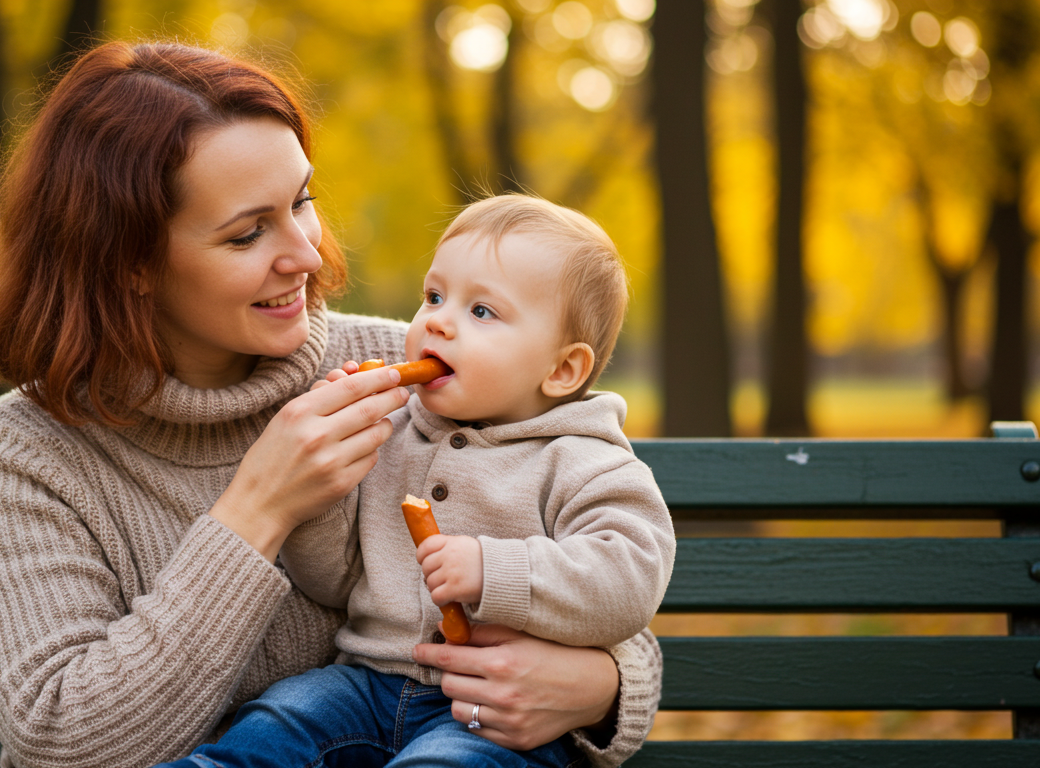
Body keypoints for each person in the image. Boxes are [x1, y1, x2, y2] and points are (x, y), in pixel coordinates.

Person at [0, 41, 663, 768]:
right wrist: (257, 511)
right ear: (128, 262)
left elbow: (591, 558)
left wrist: (603, 687)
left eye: (302, 202)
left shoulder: (421, 375)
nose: (309, 255)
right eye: (248, 232)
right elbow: (60, 744)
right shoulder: (23, 456)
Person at [157, 195, 674, 767]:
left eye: (482, 312)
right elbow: (337, 580)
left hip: (488, 712)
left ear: (561, 370)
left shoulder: (585, 461)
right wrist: (324, 494)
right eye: (433, 296)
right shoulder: (395, 432)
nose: (437, 321)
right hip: (366, 683)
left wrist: (493, 570)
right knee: (281, 719)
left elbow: (628, 579)